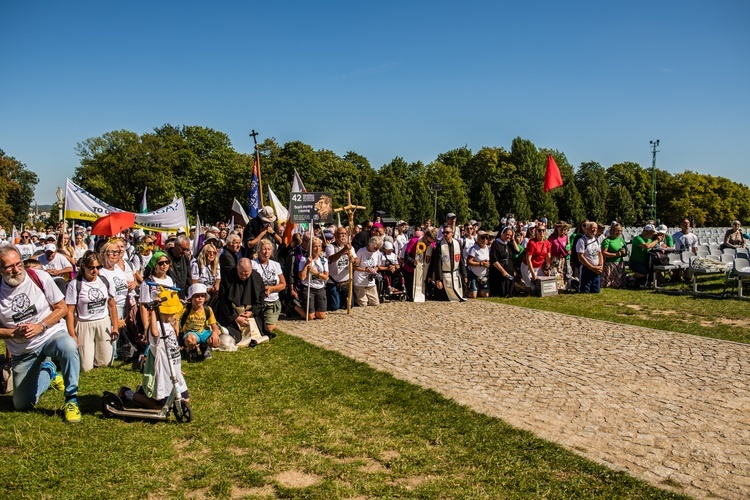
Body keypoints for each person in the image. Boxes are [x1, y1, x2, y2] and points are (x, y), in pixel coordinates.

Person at [0, 245, 81, 423]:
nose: (16, 269)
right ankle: (48, 371)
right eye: (9, 267)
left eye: (18, 264)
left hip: (50, 334)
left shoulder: (39, 277)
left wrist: (41, 325)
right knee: (22, 404)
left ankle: (71, 399)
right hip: (24, 350)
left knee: (68, 346)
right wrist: (13, 333)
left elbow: (61, 308)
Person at [119, 287, 189, 410]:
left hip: (174, 371)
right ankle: (127, 393)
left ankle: (143, 390)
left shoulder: (169, 325)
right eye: (171, 313)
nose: (174, 316)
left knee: (185, 399)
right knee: (159, 407)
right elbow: (155, 334)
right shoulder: (156, 326)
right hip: (163, 375)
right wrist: (153, 312)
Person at [64, 251, 119, 371]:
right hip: (84, 323)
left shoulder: (104, 281)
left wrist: (115, 327)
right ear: (83, 267)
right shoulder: (75, 284)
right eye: (91, 267)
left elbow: (112, 305)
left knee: (105, 363)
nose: (95, 271)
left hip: (103, 321)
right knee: (85, 367)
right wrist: (72, 334)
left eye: (98, 267)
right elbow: (69, 311)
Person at [217, 258, 267, 344]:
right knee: (233, 334)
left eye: (247, 274)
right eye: (241, 273)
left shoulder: (257, 278)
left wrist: (252, 311)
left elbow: (260, 298)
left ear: (251, 269)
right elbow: (223, 301)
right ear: (237, 268)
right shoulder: (227, 278)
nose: (243, 276)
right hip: (230, 313)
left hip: (249, 313)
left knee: (258, 334)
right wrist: (236, 317)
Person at [252, 240, 286, 333]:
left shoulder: (276, 265)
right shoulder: (252, 264)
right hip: (257, 301)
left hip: (272, 302)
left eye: (269, 249)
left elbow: (283, 284)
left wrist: (271, 289)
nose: (266, 252)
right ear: (258, 250)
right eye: (263, 249)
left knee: (268, 329)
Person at [179, 283, 220, 360]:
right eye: (197, 296)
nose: (200, 298)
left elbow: (214, 325)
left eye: (202, 296)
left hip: (203, 332)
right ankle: (192, 349)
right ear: (191, 298)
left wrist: (215, 333)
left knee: (215, 341)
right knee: (190, 340)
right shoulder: (186, 309)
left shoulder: (208, 309)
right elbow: (175, 318)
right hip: (190, 332)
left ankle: (205, 347)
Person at [139, 251, 177, 333]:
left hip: (169, 318)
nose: (165, 265)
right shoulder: (147, 282)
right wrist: (146, 326)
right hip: (154, 317)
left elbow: (173, 302)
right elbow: (143, 305)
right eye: (161, 263)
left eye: (167, 262)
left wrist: (176, 323)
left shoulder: (170, 280)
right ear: (155, 265)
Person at [429, 225, 467, 301]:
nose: (445, 234)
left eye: (447, 232)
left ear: (452, 233)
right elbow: (437, 264)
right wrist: (438, 279)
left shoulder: (457, 243)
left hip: (455, 274)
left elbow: (461, 260)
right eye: (444, 233)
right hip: (444, 276)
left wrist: (464, 275)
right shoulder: (440, 245)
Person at [297, 237, 330, 318]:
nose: (317, 248)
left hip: (320, 288)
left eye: (319, 246)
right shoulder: (304, 259)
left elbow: (326, 277)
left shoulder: (324, 260)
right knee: (310, 317)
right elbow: (302, 277)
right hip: (308, 287)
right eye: (315, 246)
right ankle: (294, 306)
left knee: (321, 316)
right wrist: (307, 264)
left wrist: (315, 272)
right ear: (310, 248)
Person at [325, 226, 357, 311]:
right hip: (333, 281)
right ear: (335, 235)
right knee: (334, 307)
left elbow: (356, 260)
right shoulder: (330, 247)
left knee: (350, 305)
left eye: (344, 234)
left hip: (345, 282)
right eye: (340, 234)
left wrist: (354, 260)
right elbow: (332, 259)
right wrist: (343, 250)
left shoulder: (350, 248)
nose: (343, 236)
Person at [401, 229, 437, 301]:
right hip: (411, 270)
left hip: (424, 271)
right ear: (424, 236)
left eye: (430, 242)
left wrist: (429, 275)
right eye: (427, 241)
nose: (428, 244)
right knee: (412, 295)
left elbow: (432, 261)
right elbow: (406, 257)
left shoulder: (432, 245)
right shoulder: (414, 241)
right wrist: (413, 262)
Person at [521, 222, 552, 292]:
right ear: (536, 232)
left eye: (543, 230)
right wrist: (532, 273)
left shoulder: (547, 243)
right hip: (528, 266)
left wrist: (548, 268)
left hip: (539, 266)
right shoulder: (532, 243)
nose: (541, 232)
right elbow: (528, 258)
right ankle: (517, 285)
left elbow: (548, 256)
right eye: (539, 230)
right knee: (530, 290)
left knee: (541, 287)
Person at [353, 236, 383, 307]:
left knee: (375, 303)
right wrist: (365, 270)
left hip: (370, 281)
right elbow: (354, 266)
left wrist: (374, 271)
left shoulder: (377, 253)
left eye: (378, 249)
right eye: (375, 248)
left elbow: (377, 266)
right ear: (370, 245)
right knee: (363, 304)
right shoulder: (361, 251)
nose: (376, 250)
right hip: (360, 280)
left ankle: (366, 295)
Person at [191, 243, 221, 309]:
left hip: (213, 295)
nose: (212, 254)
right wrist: (208, 290)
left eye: (214, 252)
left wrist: (216, 286)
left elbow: (218, 278)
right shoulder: (196, 265)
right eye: (209, 252)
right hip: (201, 295)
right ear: (204, 253)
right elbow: (194, 284)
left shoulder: (216, 264)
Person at [576, 222, 604, 293]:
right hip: (586, 269)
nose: (594, 230)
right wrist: (592, 267)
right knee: (585, 291)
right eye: (592, 228)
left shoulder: (596, 240)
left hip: (596, 269)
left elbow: (600, 253)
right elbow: (580, 257)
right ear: (587, 229)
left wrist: (601, 265)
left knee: (596, 291)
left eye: (596, 228)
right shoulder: (582, 241)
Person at [489, 227, 516, 297]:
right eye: (507, 234)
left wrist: (513, 239)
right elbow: (494, 260)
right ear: (502, 234)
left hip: (509, 269)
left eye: (510, 235)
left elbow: (517, 250)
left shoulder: (508, 244)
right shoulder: (496, 244)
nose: (508, 237)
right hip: (499, 271)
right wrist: (503, 271)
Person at [601, 222, 628, 288]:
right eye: (617, 231)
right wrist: (615, 254)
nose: (619, 232)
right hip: (610, 263)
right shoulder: (607, 240)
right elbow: (604, 253)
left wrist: (624, 252)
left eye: (620, 231)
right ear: (612, 231)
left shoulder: (621, 240)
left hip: (620, 263)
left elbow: (626, 252)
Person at [466, 230, 491, 298]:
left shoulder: (489, 248)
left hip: (485, 275)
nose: (485, 239)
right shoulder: (474, 249)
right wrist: (480, 263)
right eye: (482, 238)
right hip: (474, 274)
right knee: (473, 296)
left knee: (485, 295)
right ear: (478, 238)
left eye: (486, 238)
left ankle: (479, 289)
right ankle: (469, 290)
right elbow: (469, 262)